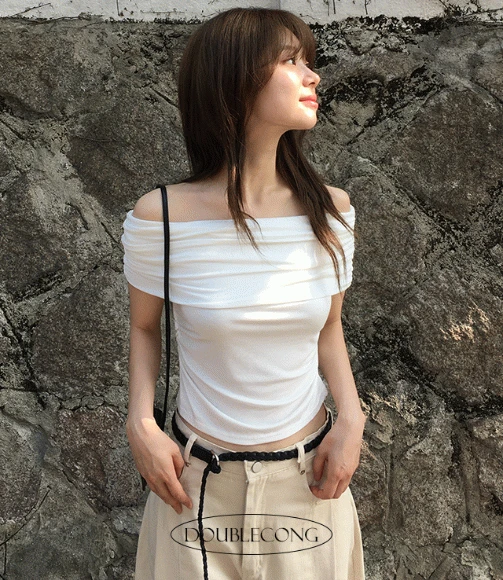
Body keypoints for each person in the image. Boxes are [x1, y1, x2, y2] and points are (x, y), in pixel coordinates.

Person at [120, 7, 367, 580]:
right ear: (234, 79)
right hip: (195, 491)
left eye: (308, 61)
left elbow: (329, 328)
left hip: (309, 488)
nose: (312, 75)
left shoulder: (330, 210)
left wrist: (352, 419)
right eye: (290, 61)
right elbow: (144, 327)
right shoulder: (162, 217)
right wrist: (141, 423)